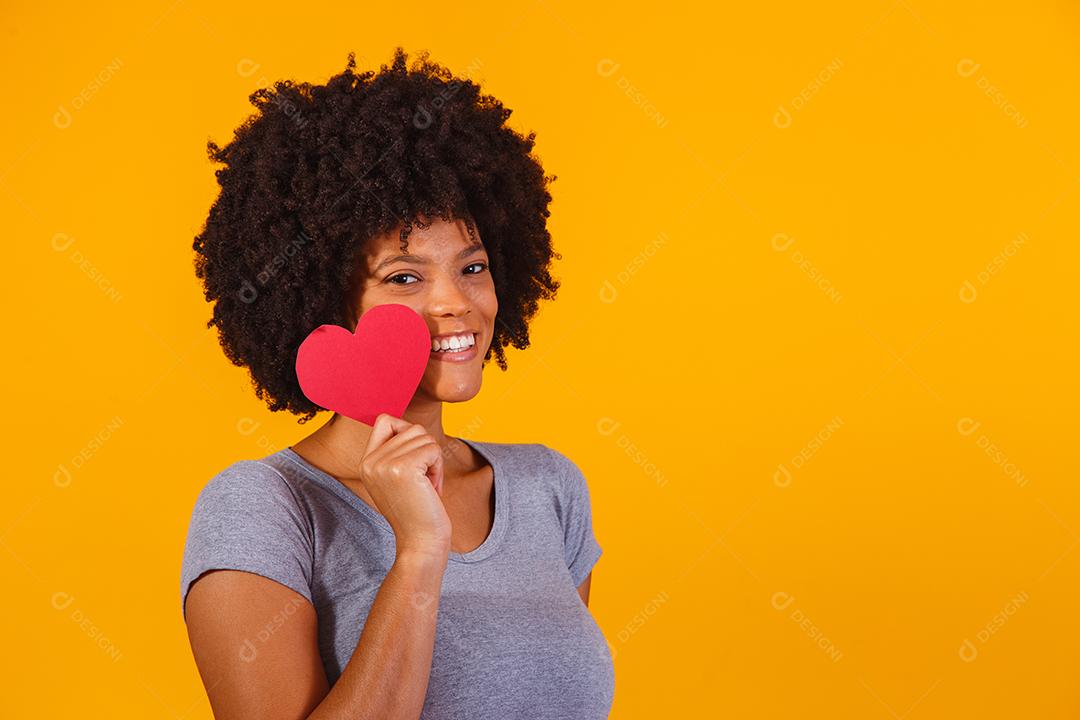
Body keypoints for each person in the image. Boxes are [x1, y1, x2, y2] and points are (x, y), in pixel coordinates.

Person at [180, 47, 614, 720]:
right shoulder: (266, 507)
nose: (455, 303)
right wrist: (418, 549)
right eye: (404, 278)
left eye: (472, 267)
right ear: (324, 301)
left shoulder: (549, 492)